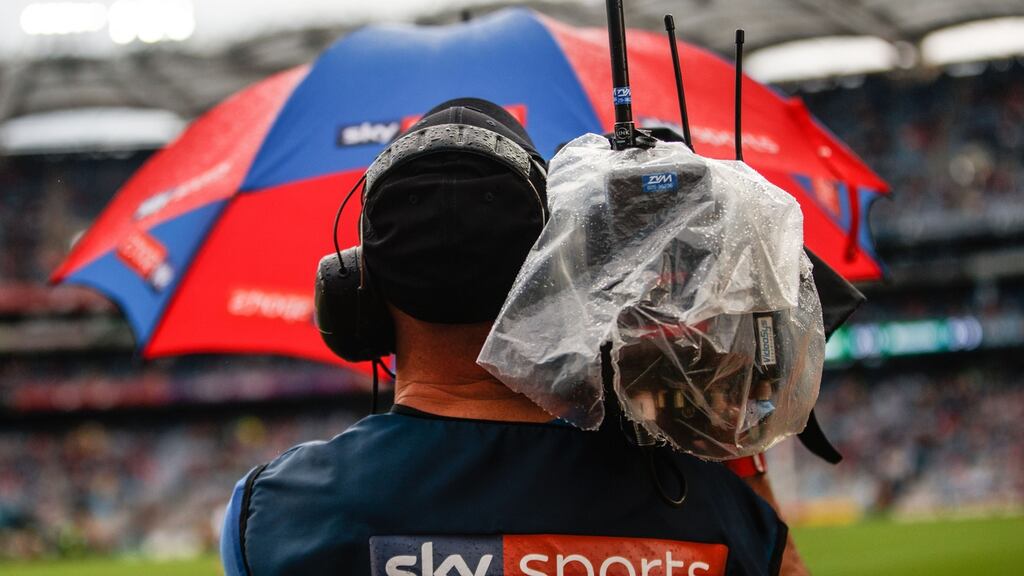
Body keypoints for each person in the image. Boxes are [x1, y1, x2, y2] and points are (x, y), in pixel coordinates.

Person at [220, 98, 809, 576]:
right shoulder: (708, 515)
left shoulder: (277, 513)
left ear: (357, 295)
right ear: (556, 281)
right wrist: (726, 430)